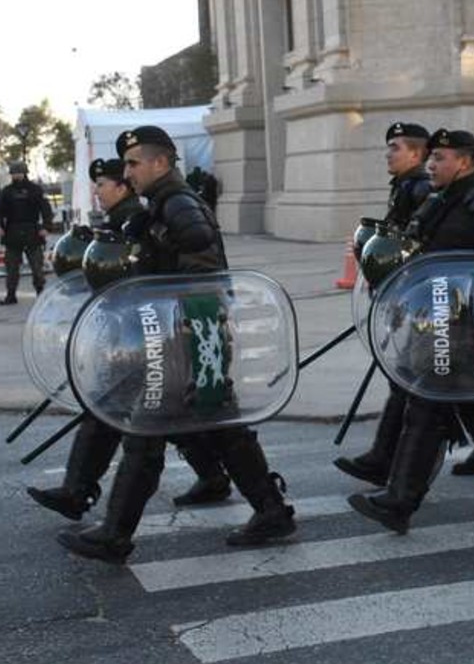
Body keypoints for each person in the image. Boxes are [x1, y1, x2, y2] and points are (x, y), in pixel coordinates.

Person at [57, 127, 296, 563]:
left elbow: (201, 274)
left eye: (133, 164)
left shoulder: (180, 206)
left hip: (188, 334)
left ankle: (115, 534)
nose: (126, 173)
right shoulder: (162, 206)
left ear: (161, 163)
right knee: (220, 426)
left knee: (147, 430)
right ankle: (271, 510)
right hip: (186, 334)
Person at [347, 128, 474, 535]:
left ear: (465, 162)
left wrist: (465, 294)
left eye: (440, 157)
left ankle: (400, 501)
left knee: (429, 405)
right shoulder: (442, 201)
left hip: (467, 326)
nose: (432, 164)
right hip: (440, 321)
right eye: (432, 157)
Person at [26, 157, 233, 520]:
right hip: (151, 333)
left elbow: (190, 268)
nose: (99, 190)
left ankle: (101, 517)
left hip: (167, 332)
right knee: (164, 415)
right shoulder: (142, 214)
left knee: (151, 420)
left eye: (106, 183)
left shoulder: (167, 209)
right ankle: (226, 485)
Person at [334, 121, 435, 487]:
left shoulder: (420, 188)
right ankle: (382, 457)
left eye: (396, 147)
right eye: (389, 146)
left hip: (424, 300)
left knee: (417, 384)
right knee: (417, 383)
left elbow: (419, 244)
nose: (388, 153)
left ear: (416, 153)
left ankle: (383, 459)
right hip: (408, 296)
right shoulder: (406, 187)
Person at [0, 161, 54, 305]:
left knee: (37, 267)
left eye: (18, 172)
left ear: (24, 173)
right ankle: (11, 295)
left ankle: (40, 293)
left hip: (32, 231)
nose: (16, 175)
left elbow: (46, 210)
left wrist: (46, 227)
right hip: (12, 232)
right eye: (14, 173)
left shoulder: (35, 190)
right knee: (12, 268)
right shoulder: (6, 192)